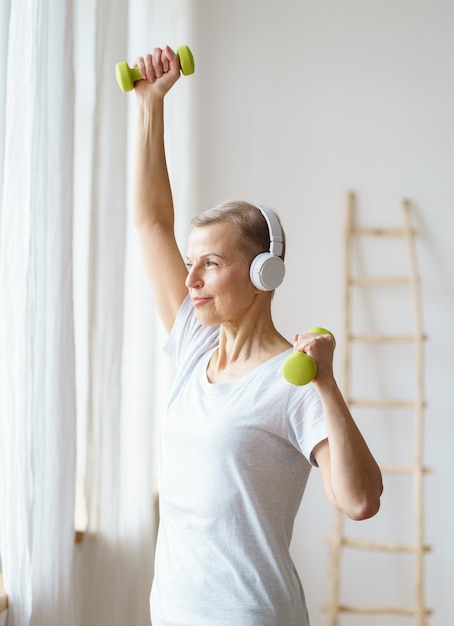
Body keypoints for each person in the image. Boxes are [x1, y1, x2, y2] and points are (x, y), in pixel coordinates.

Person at [132, 45, 383, 626]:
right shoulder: (194, 346)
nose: (190, 279)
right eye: (191, 264)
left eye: (211, 264)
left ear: (264, 273)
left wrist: (325, 383)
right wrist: (150, 105)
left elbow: (360, 501)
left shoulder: (291, 380)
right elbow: (151, 222)